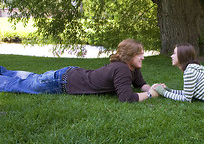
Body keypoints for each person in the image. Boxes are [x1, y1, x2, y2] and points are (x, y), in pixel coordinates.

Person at [0, 39, 158, 102]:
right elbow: (126, 98)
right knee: (19, 85)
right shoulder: (122, 69)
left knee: (33, 78)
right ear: (129, 55)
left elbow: (140, 84)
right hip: (62, 82)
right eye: (140, 54)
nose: (143, 57)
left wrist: (153, 88)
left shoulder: (132, 67)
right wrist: (150, 94)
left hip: (69, 74)